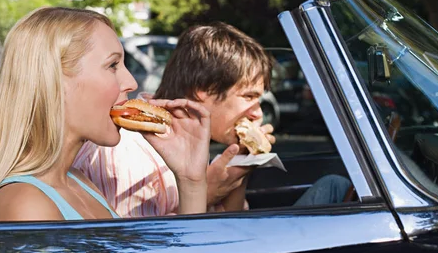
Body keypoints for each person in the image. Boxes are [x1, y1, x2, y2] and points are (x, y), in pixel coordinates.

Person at [0, 7, 211, 222]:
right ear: (55, 83)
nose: (131, 82)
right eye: (113, 65)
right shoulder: (26, 205)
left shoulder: (79, 183)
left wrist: (191, 180)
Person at [74, 22, 352, 216]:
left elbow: (232, 226)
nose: (257, 112)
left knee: (334, 185)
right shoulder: (121, 149)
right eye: (248, 96)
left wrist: (241, 169)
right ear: (204, 92)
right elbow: (139, 251)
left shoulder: (191, 135)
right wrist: (204, 191)